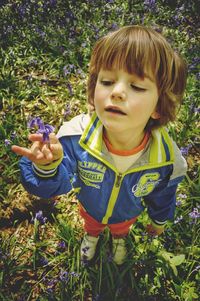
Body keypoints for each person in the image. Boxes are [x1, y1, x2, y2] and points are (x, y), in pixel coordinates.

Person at [12, 25, 187, 265]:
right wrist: (47, 166)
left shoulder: (167, 160)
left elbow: (163, 195)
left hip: (127, 213)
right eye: (106, 81)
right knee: (92, 224)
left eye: (136, 86)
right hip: (91, 207)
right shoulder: (75, 137)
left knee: (121, 227)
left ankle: (119, 239)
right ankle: (92, 237)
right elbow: (52, 187)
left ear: (159, 106)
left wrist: (159, 221)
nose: (116, 92)